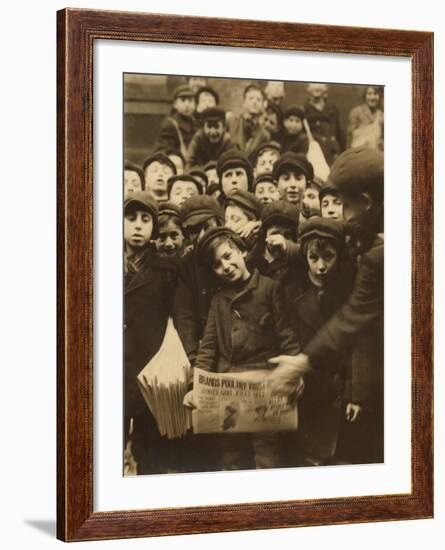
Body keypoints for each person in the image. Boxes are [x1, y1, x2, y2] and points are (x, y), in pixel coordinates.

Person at [268, 147, 384, 464]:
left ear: (367, 201)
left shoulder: (380, 252)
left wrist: (301, 362)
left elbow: (353, 317)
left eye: (343, 205)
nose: (342, 215)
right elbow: (332, 240)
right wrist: (293, 251)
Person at [190, 227, 301, 469]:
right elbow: (208, 349)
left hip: (265, 385)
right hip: (227, 389)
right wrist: (195, 387)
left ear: (242, 251)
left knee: (267, 455)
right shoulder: (218, 301)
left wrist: (294, 371)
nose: (225, 267)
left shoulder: (269, 288)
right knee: (231, 456)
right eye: (217, 265)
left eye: (228, 256)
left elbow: (287, 335)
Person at [286, 217, 355, 466]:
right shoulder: (290, 293)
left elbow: (358, 349)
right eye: (314, 258)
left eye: (329, 258)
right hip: (309, 393)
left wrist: (352, 391)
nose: (321, 267)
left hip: (342, 392)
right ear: (304, 256)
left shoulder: (352, 293)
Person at [124, 192, 177, 474]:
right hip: (113, 373)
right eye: (130, 218)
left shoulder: (165, 271)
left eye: (145, 219)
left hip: (151, 374)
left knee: (150, 458)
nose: (137, 225)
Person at [303, 83, 343, 166]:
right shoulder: (305, 110)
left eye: (319, 86)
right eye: (314, 85)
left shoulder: (332, 109)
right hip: (317, 153)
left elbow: (338, 133)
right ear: (309, 88)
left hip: (333, 152)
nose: (317, 88)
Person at [227, 83, 270, 155]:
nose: (255, 102)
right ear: (244, 102)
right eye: (251, 98)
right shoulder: (231, 122)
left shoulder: (265, 135)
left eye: (259, 100)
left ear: (263, 105)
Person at [156, 85, 197, 157]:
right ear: (175, 104)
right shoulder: (170, 125)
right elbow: (165, 151)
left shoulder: (196, 124)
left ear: (195, 104)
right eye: (183, 100)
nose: (187, 104)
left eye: (190, 101)